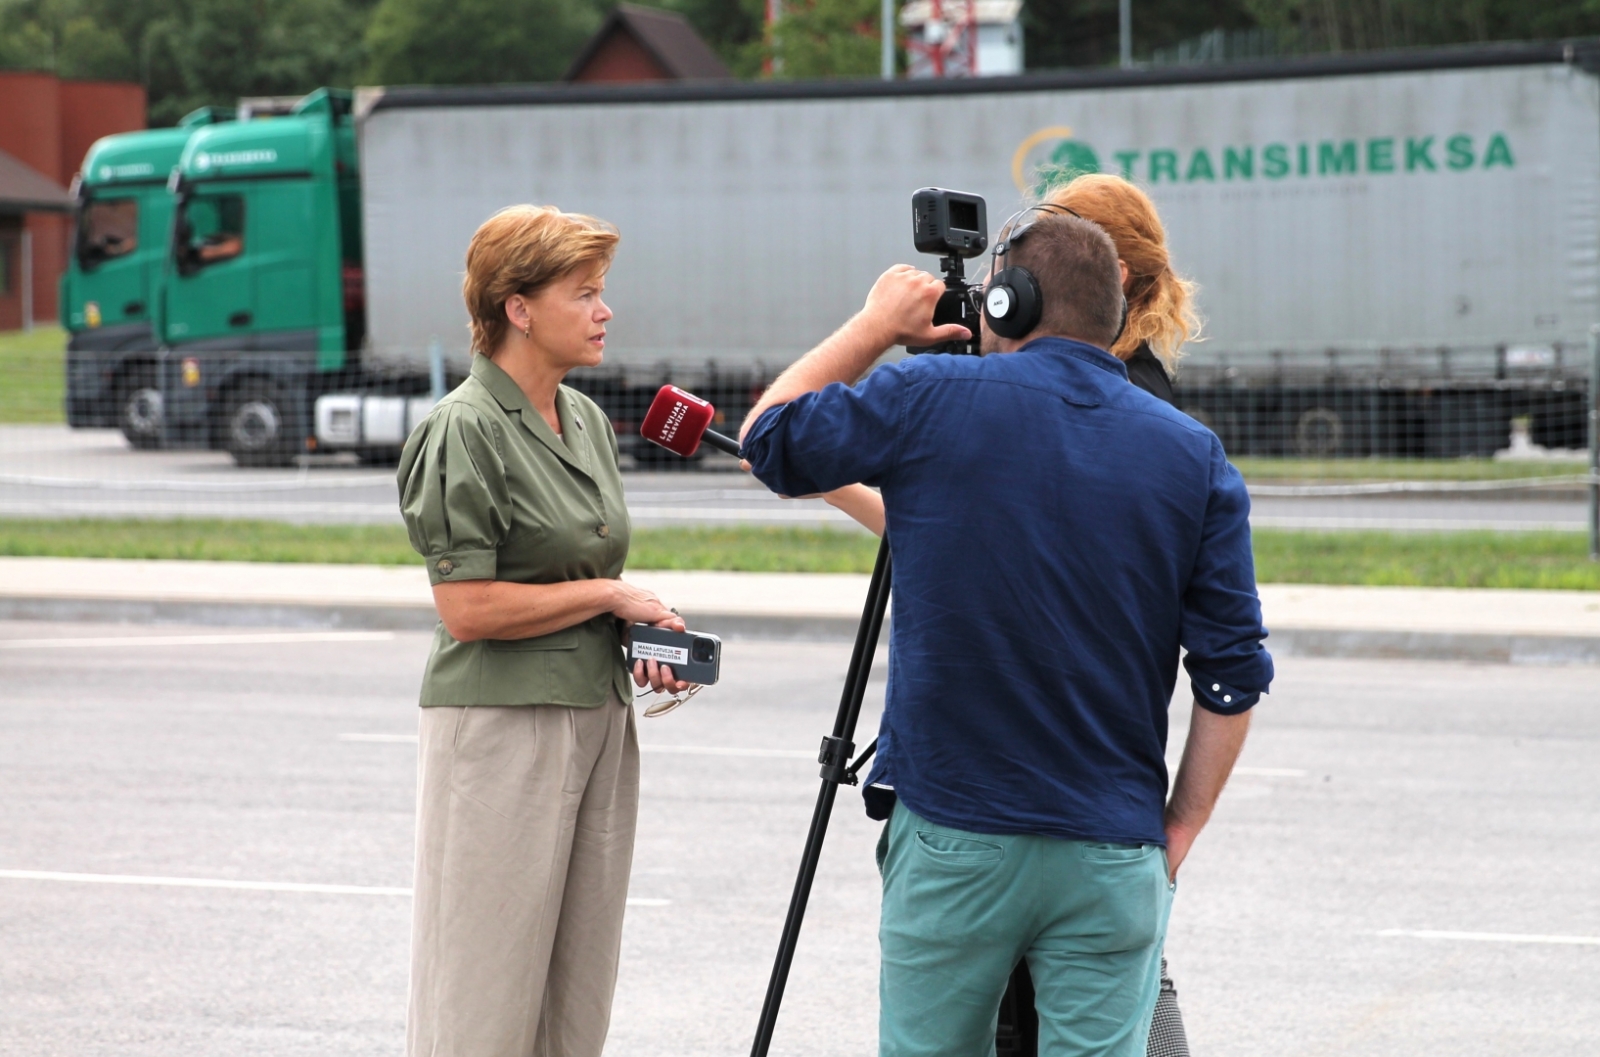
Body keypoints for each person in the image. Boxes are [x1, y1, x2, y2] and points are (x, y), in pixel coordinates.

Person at [740, 212, 1272, 1056]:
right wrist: (1176, 831)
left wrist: (876, 324)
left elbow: (767, 439)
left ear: (1005, 301)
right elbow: (1232, 675)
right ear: (1118, 313)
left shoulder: (928, 397)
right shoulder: (1193, 454)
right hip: (1113, 845)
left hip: (956, 833)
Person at [396, 204, 692, 1057]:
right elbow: (469, 608)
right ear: (517, 307)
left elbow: (577, 584)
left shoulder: (586, 420)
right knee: (481, 995)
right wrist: (608, 592)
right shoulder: (463, 429)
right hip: (502, 728)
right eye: (585, 293)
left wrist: (643, 629)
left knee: (575, 989)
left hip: (595, 716)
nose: (605, 312)